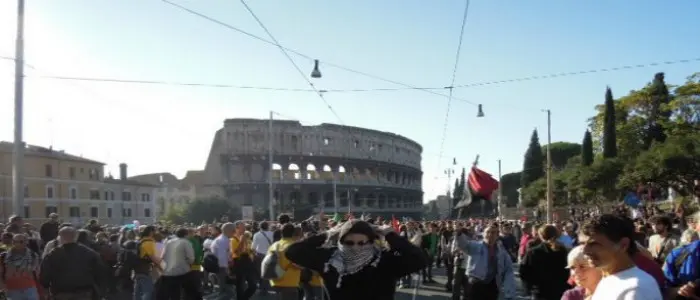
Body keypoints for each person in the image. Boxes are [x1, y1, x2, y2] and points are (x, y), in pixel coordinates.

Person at [286, 219, 426, 300]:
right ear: (341, 242)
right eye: (349, 243)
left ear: (371, 242)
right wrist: (327, 234)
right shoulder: (330, 260)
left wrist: (390, 235)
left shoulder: (384, 261)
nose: (355, 248)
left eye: (361, 243)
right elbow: (293, 252)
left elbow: (419, 259)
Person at [582, 214, 662, 300]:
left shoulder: (636, 289)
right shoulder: (610, 279)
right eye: (583, 243)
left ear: (623, 245)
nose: (585, 251)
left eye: (594, 244)